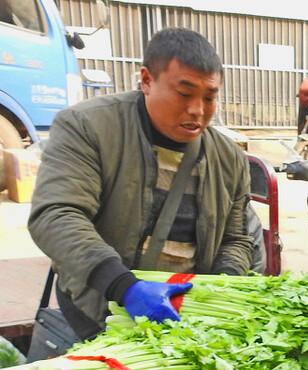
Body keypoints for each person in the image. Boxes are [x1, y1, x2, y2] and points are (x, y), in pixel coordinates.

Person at [28, 28, 252, 341]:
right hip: (102, 301)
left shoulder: (229, 157)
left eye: (210, 97)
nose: (198, 110)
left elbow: (237, 238)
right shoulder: (87, 127)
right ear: (146, 80)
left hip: (184, 312)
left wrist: (221, 288)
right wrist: (124, 287)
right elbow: (56, 215)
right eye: (184, 93)